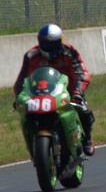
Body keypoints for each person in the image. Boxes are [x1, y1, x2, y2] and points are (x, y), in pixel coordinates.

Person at [13, 24, 96, 156]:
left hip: (68, 93)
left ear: (60, 41)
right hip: (39, 95)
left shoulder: (70, 52)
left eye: (53, 43)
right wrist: (19, 96)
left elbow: (81, 73)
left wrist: (78, 92)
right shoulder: (31, 56)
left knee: (84, 111)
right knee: (26, 117)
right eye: (46, 43)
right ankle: (34, 147)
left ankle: (86, 140)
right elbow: (21, 80)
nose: (50, 47)